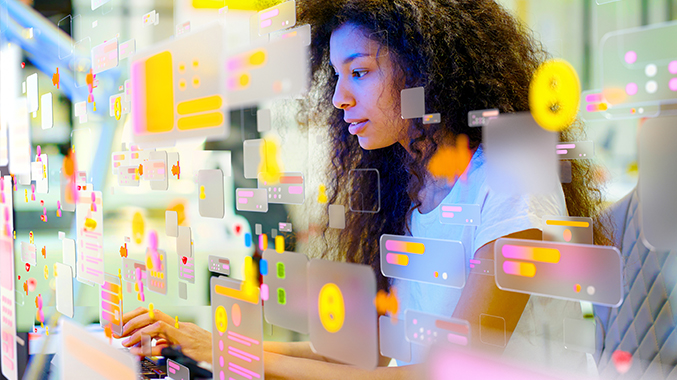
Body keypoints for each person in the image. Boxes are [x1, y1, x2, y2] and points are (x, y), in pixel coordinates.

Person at [118, 0, 611, 378]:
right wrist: (202, 341)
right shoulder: (402, 182)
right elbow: (365, 350)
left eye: (360, 72)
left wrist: (225, 351)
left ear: (425, 67)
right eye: (336, 75)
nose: (339, 97)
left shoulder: (513, 169)